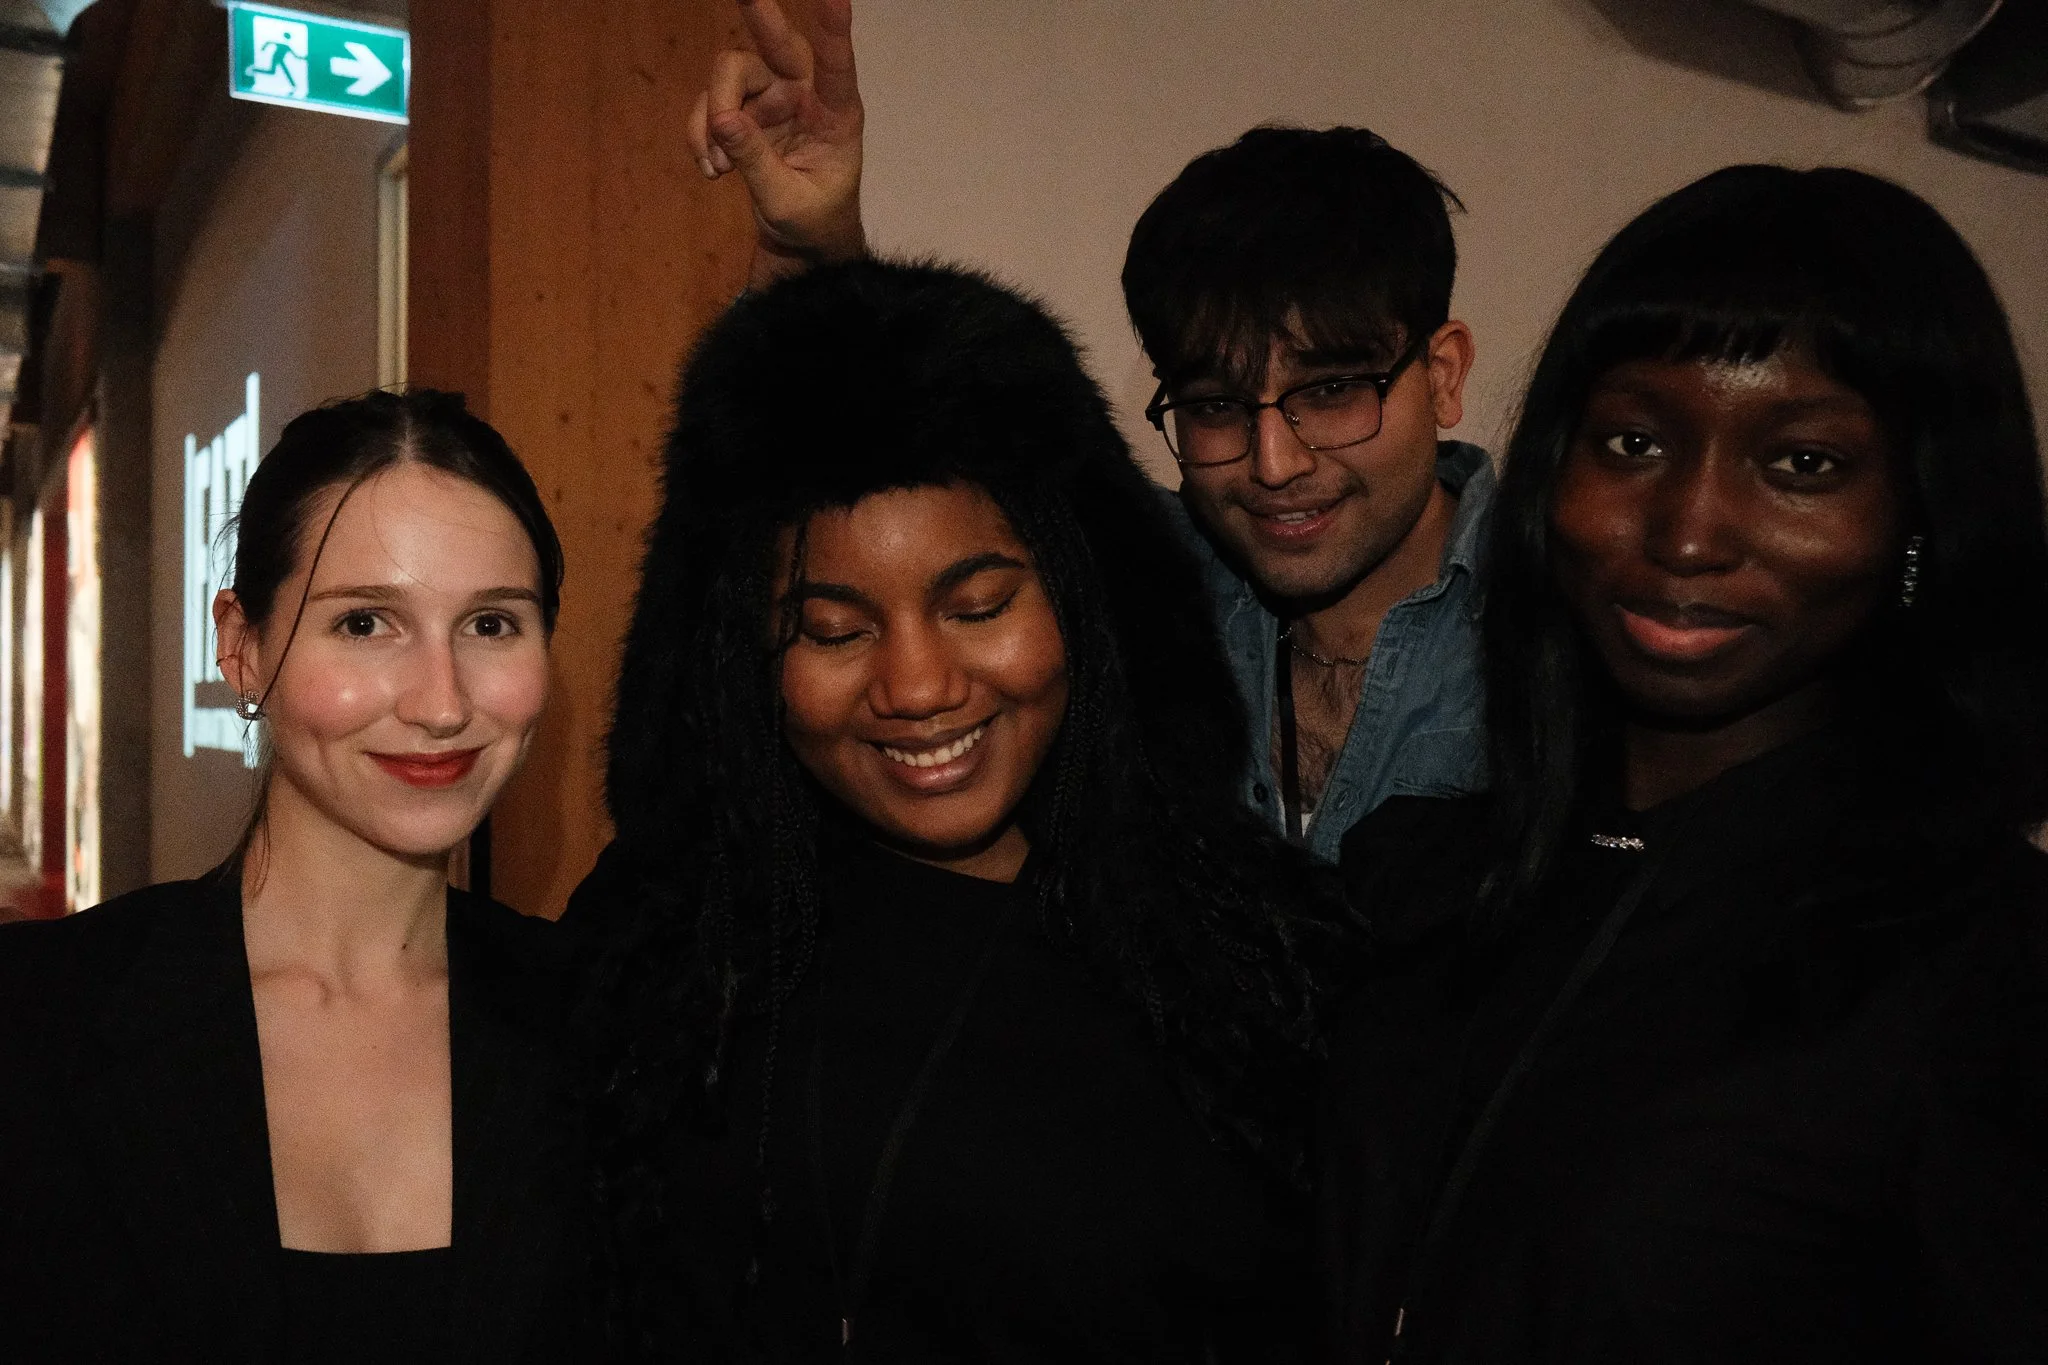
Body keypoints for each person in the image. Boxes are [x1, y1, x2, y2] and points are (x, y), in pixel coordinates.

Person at [1318, 165, 2048, 1363]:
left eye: (1800, 464)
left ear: (1917, 517)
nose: (1689, 531)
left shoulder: (1985, 978)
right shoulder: (1419, 881)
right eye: (1636, 440)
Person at [573, 258, 1345, 1361]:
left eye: (977, 606)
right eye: (834, 631)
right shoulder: (661, 954)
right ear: (742, 661)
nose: (918, 684)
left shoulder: (1254, 962)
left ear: (1079, 599)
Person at [687, 0, 1492, 860]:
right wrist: (817, 251)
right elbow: (903, 452)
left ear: (1442, 375)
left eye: (1330, 391)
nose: (1274, 462)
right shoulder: (1140, 571)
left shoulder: (1570, 621)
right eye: (1216, 407)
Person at [0, 391, 591, 1361]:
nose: (441, 703)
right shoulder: (35, 1021)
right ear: (241, 645)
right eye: (365, 623)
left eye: (490, 625)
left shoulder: (607, 1027)